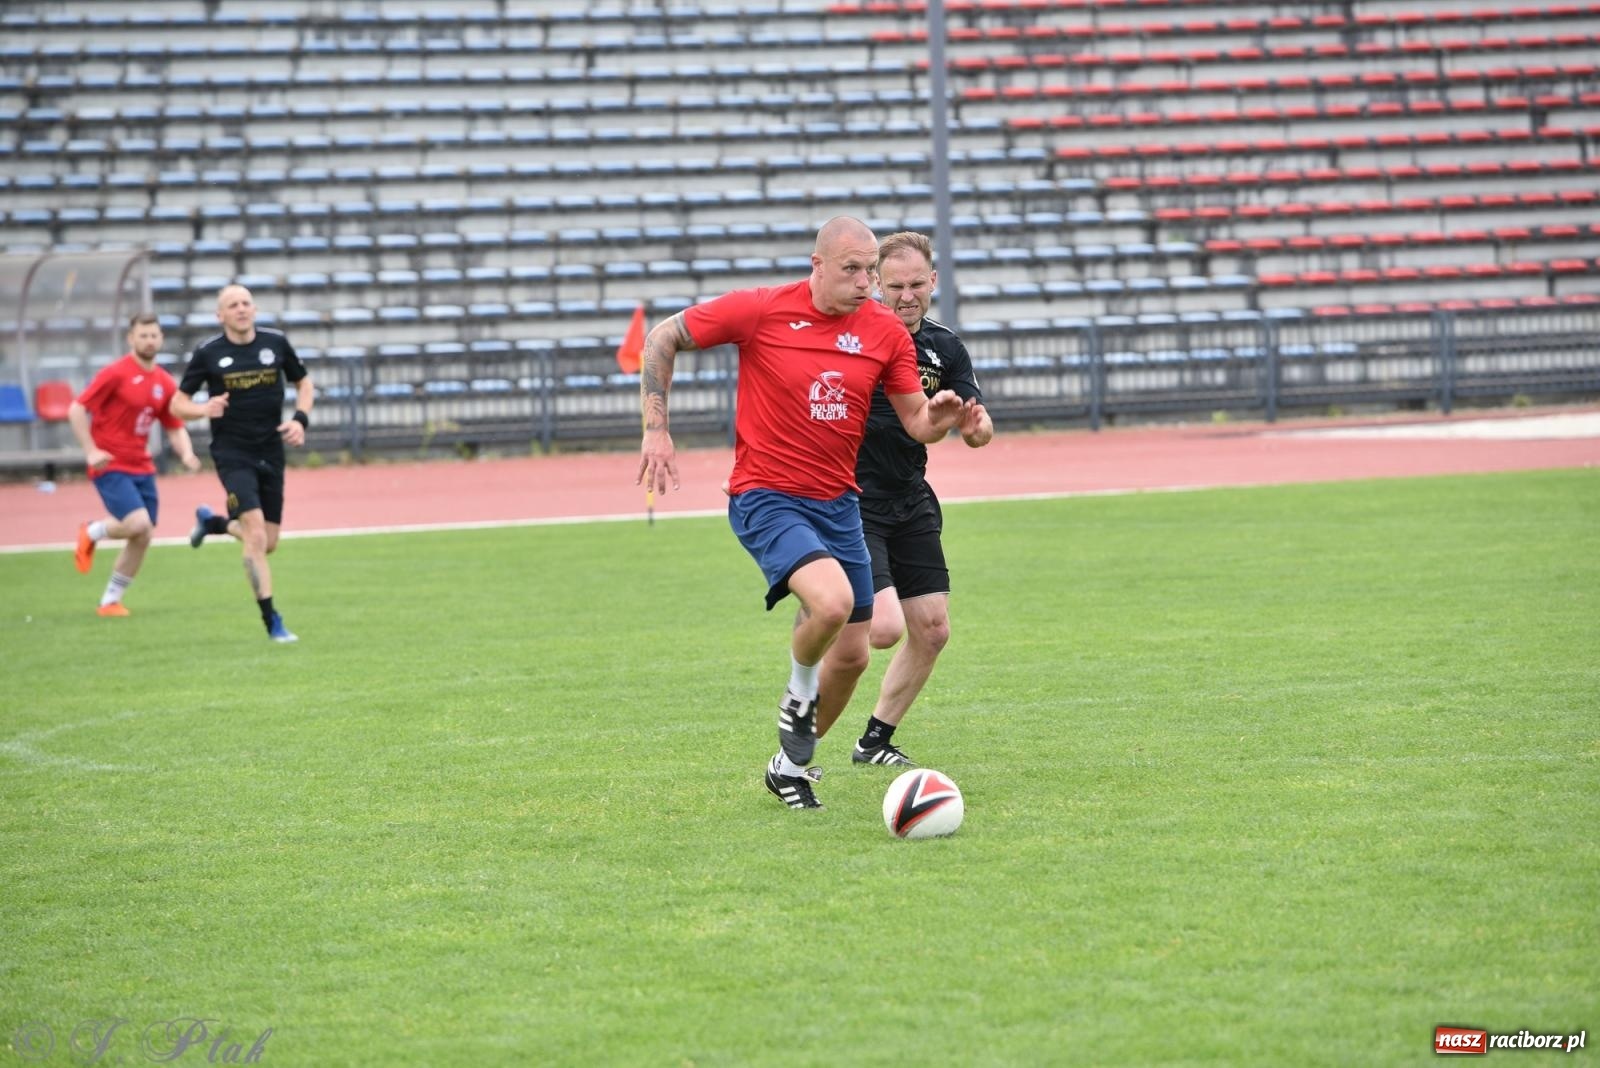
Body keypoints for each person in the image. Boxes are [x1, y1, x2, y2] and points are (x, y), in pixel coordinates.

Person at [637, 216, 970, 810]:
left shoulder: (884, 333)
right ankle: (798, 693)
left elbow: (917, 421)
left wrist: (942, 417)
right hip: (766, 494)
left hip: (840, 503)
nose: (867, 282)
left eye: (872, 270)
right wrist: (656, 431)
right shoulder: (761, 310)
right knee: (833, 603)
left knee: (854, 653)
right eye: (852, 270)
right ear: (816, 266)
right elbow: (663, 337)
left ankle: (788, 766)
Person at [814, 232, 994, 767]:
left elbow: (976, 430)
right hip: (851, 500)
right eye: (894, 285)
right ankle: (805, 690)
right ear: (874, 284)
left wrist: (975, 425)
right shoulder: (849, 338)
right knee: (886, 629)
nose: (907, 295)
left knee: (933, 629)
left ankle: (874, 741)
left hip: (910, 498)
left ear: (933, 281)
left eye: (917, 283)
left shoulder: (946, 347)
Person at [171, 284, 313, 643]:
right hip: (232, 452)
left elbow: (304, 382)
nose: (241, 309)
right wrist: (204, 409)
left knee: (267, 542)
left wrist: (299, 419)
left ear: (254, 308)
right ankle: (273, 622)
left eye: (246, 303)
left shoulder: (275, 343)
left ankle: (214, 523)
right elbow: (178, 404)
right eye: (232, 305)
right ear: (220, 315)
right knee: (254, 531)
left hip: (271, 448)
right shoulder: (208, 353)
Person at [69, 313, 203, 615]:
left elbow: (172, 424)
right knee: (138, 523)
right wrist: (90, 451)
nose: (149, 340)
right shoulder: (114, 374)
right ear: (131, 338)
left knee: (143, 534)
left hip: (142, 467)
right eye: (143, 335)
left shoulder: (164, 382)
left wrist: (186, 453)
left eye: (154, 335)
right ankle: (91, 532)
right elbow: (77, 409)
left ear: (161, 339)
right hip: (110, 464)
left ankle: (109, 601)